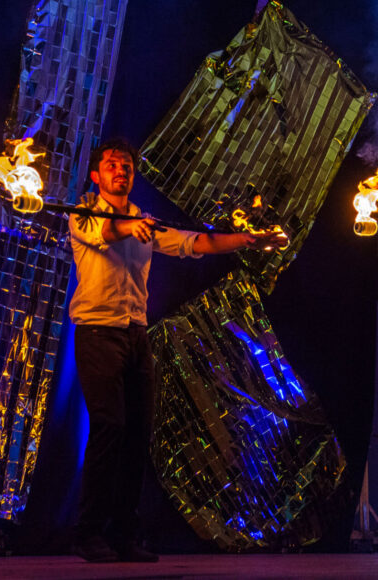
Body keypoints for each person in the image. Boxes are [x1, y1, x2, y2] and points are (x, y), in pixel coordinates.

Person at [68, 138, 284, 563]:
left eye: (127, 165)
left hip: (136, 334)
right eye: (112, 164)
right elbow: (106, 233)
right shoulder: (83, 213)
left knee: (137, 434)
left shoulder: (145, 222)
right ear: (96, 175)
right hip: (97, 332)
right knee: (109, 425)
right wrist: (129, 227)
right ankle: (88, 532)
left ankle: (123, 534)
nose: (121, 170)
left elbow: (196, 242)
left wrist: (247, 239)